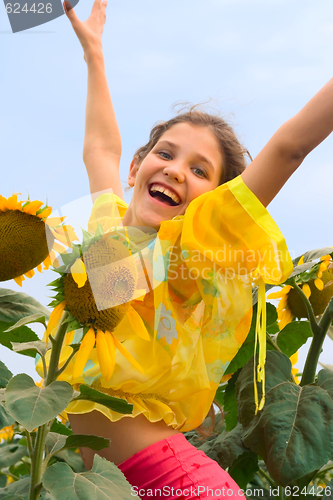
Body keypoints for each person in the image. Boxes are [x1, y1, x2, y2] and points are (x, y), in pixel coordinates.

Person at [60, 0, 333, 498]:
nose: (175, 169)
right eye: (165, 154)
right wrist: (93, 52)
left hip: (174, 479)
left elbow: (291, 146)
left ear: (216, 205)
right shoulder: (107, 241)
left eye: (200, 170)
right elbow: (100, 147)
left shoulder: (190, 250)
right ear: (138, 167)